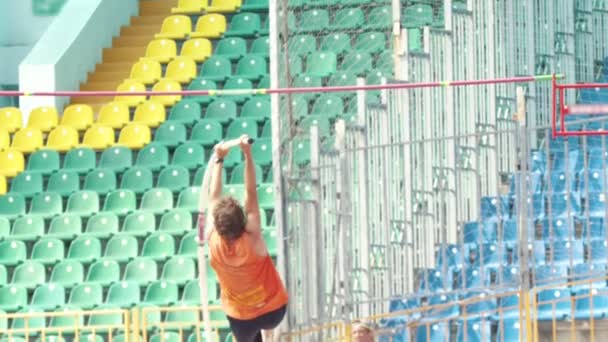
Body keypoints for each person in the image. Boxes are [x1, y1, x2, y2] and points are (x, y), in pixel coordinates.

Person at [204, 135, 288, 342]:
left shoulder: (213, 240)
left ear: (217, 225)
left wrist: (219, 159)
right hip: (274, 310)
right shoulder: (252, 236)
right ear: (242, 221)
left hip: (241, 319)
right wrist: (247, 155)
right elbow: (251, 191)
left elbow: (213, 196)